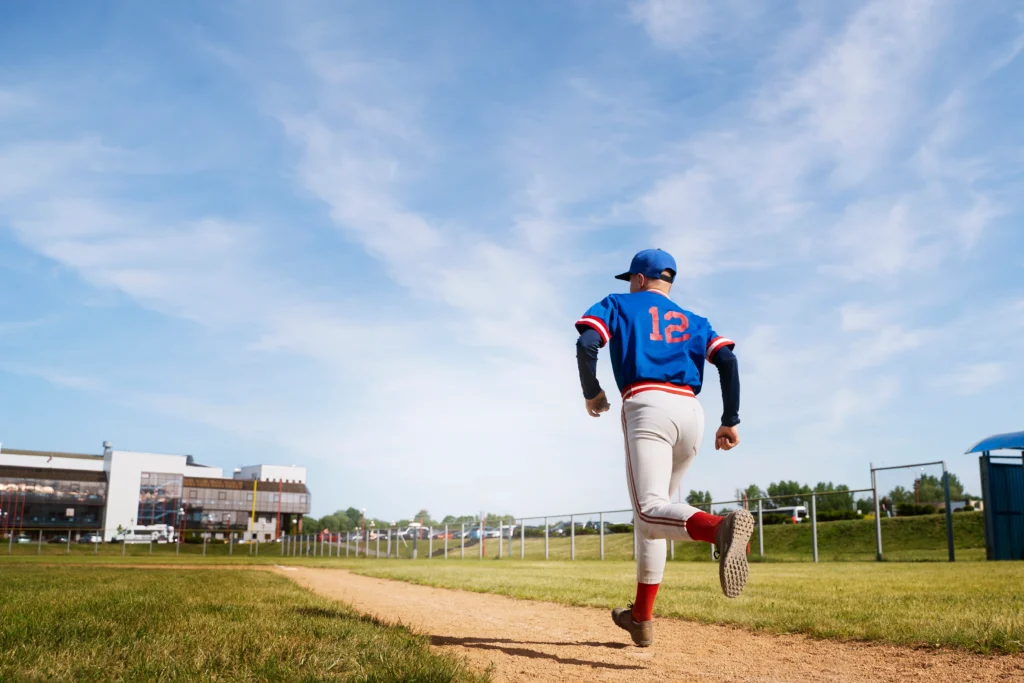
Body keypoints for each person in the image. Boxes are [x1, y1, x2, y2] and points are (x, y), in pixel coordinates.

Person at [575, 248, 753, 648]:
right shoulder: (695, 320)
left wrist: (592, 392)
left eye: (631, 280)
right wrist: (730, 419)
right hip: (691, 412)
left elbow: (587, 343)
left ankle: (719, 529)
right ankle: (640, 618)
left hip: (647, 403)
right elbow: (727, 361)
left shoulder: (619, 303)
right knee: (654, 518)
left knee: (649, 510)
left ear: (639, 279)